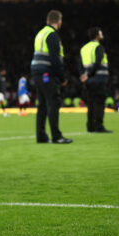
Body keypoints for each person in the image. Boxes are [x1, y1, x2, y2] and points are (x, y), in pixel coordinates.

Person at [30, 10, 72, 144]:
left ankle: (41, 136)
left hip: (37, 73)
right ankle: (56, 136)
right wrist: (62, 77)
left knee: (42, 105)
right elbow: (55, 58)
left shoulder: (40, 34)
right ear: (58, 21)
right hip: (47, 73)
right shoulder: (52, 34)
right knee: (53, 102)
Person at [79, 27, 112, 133]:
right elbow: (98, 62)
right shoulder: (99, 47)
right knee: (99, 103)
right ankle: (99, 126)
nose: (102, 34)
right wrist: (89, 74)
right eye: (100, 33)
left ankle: (90, 127)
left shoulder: (84, 48)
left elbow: (79, 64)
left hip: (88, 81)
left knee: (91, 103)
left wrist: (83, 75)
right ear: (97, 35)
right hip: (98, 79)